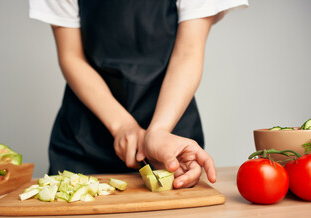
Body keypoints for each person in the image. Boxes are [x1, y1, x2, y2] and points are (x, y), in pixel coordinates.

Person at [29, 0, 248, 188]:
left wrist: (160, 130)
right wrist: (122, 125)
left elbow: (188, 53)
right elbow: (71, 56)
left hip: (170, 138)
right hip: (84, 139)